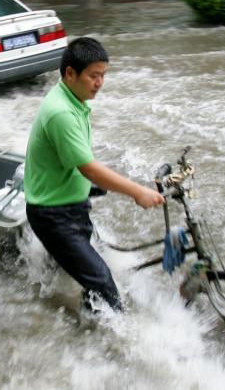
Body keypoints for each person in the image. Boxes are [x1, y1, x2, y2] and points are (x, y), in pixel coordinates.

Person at [24, 36, 165, 313]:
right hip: (52, 213)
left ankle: (76, 309)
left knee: (86, 273)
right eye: (93, 76)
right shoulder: (61, 112)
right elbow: (88, 167)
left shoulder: (72, 96)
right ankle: (105, 345)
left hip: (69, 201)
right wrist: (138, 192)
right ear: (70, 73)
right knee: (104, 285)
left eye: (103, 75)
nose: (99, 83)